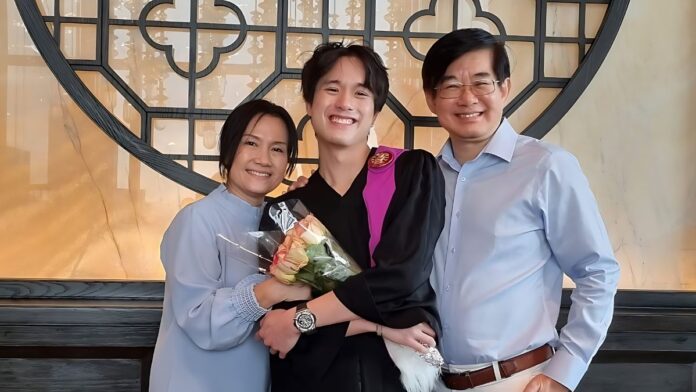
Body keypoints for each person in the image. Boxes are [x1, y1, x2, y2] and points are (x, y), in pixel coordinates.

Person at [422, 28, 620, 391]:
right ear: (431, 98)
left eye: (482, 83)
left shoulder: (546, 167)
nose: (468, 98)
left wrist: (564, 372)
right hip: (432, 380)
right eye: (450, 86)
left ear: (504, 89)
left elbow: (597, 272)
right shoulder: (424, 178)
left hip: (519, 381)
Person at [255, 42, 446, 392]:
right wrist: (381, 325)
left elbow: (402, 279)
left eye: (361, 92)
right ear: (310, 104)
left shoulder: (410, 173)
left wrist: (303, 319)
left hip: (392, 380)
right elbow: (278, 324)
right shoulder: (284, 212)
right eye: (331, 89)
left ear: (375, 111)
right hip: (313, 382)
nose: (344, 103)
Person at [149, 99, 312, 392]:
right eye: (251, 143)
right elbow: (203, 321)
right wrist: (275, 287)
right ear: (229, 149)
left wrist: (298, 215)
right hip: (195, 381)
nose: (263, 159)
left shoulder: (277, 222)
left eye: (277, 149)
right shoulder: (197, 220)